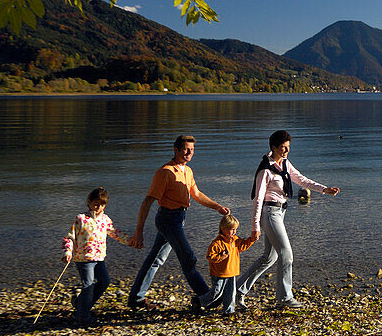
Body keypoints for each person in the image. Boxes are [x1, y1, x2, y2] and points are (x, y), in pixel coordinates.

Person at [236, 130, 340, 311]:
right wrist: (255, 226)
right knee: (286, 253)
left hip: (280, 212)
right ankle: (285, 298)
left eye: (288, 147)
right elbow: (258, 198)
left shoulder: (284, 164)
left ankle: (237, 290)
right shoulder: (265, 170)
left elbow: (301, 180)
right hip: (269, 213)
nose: (286, 151)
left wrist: (325, 189)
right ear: (274, 147)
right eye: (283, 148)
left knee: (269, 257)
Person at [127, 134, 230, 313]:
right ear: (176, 150)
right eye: (186, 149)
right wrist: (139, 232)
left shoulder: (187, 171)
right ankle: (206, 297)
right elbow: (147, 202)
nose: (189, 153)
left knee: (156, 258)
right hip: (168, 219)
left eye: (192, 150)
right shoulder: (165, 172)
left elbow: (196, 194)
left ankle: (136, 297)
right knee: (188, 257)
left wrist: (217, 207)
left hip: (179, 218)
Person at [62, 187, 133, 326]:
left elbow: (114, 233)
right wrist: (68, 252)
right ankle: (83, 317)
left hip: (99, 258)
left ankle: (80, 304)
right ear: (89, 202)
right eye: (95, 204)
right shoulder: (81, 219)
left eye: (101, 205)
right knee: (88, 285)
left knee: (104, 282)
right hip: (84, 259)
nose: (98, 208)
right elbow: (70, 237)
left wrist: (130, 241)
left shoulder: (105, 219)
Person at [204, 214, 257, 316]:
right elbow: (210, 257)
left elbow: (243, 246)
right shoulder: (217, 243)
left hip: (232, 272)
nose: (234, 232)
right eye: (232, 229)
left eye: (235, 229)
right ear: (223, 229)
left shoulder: (235, 240)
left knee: (231, 293)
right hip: (219, 274)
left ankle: (229, 311)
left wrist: (251, 239)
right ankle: (200, 301)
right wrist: (221, 257)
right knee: (216, 293)